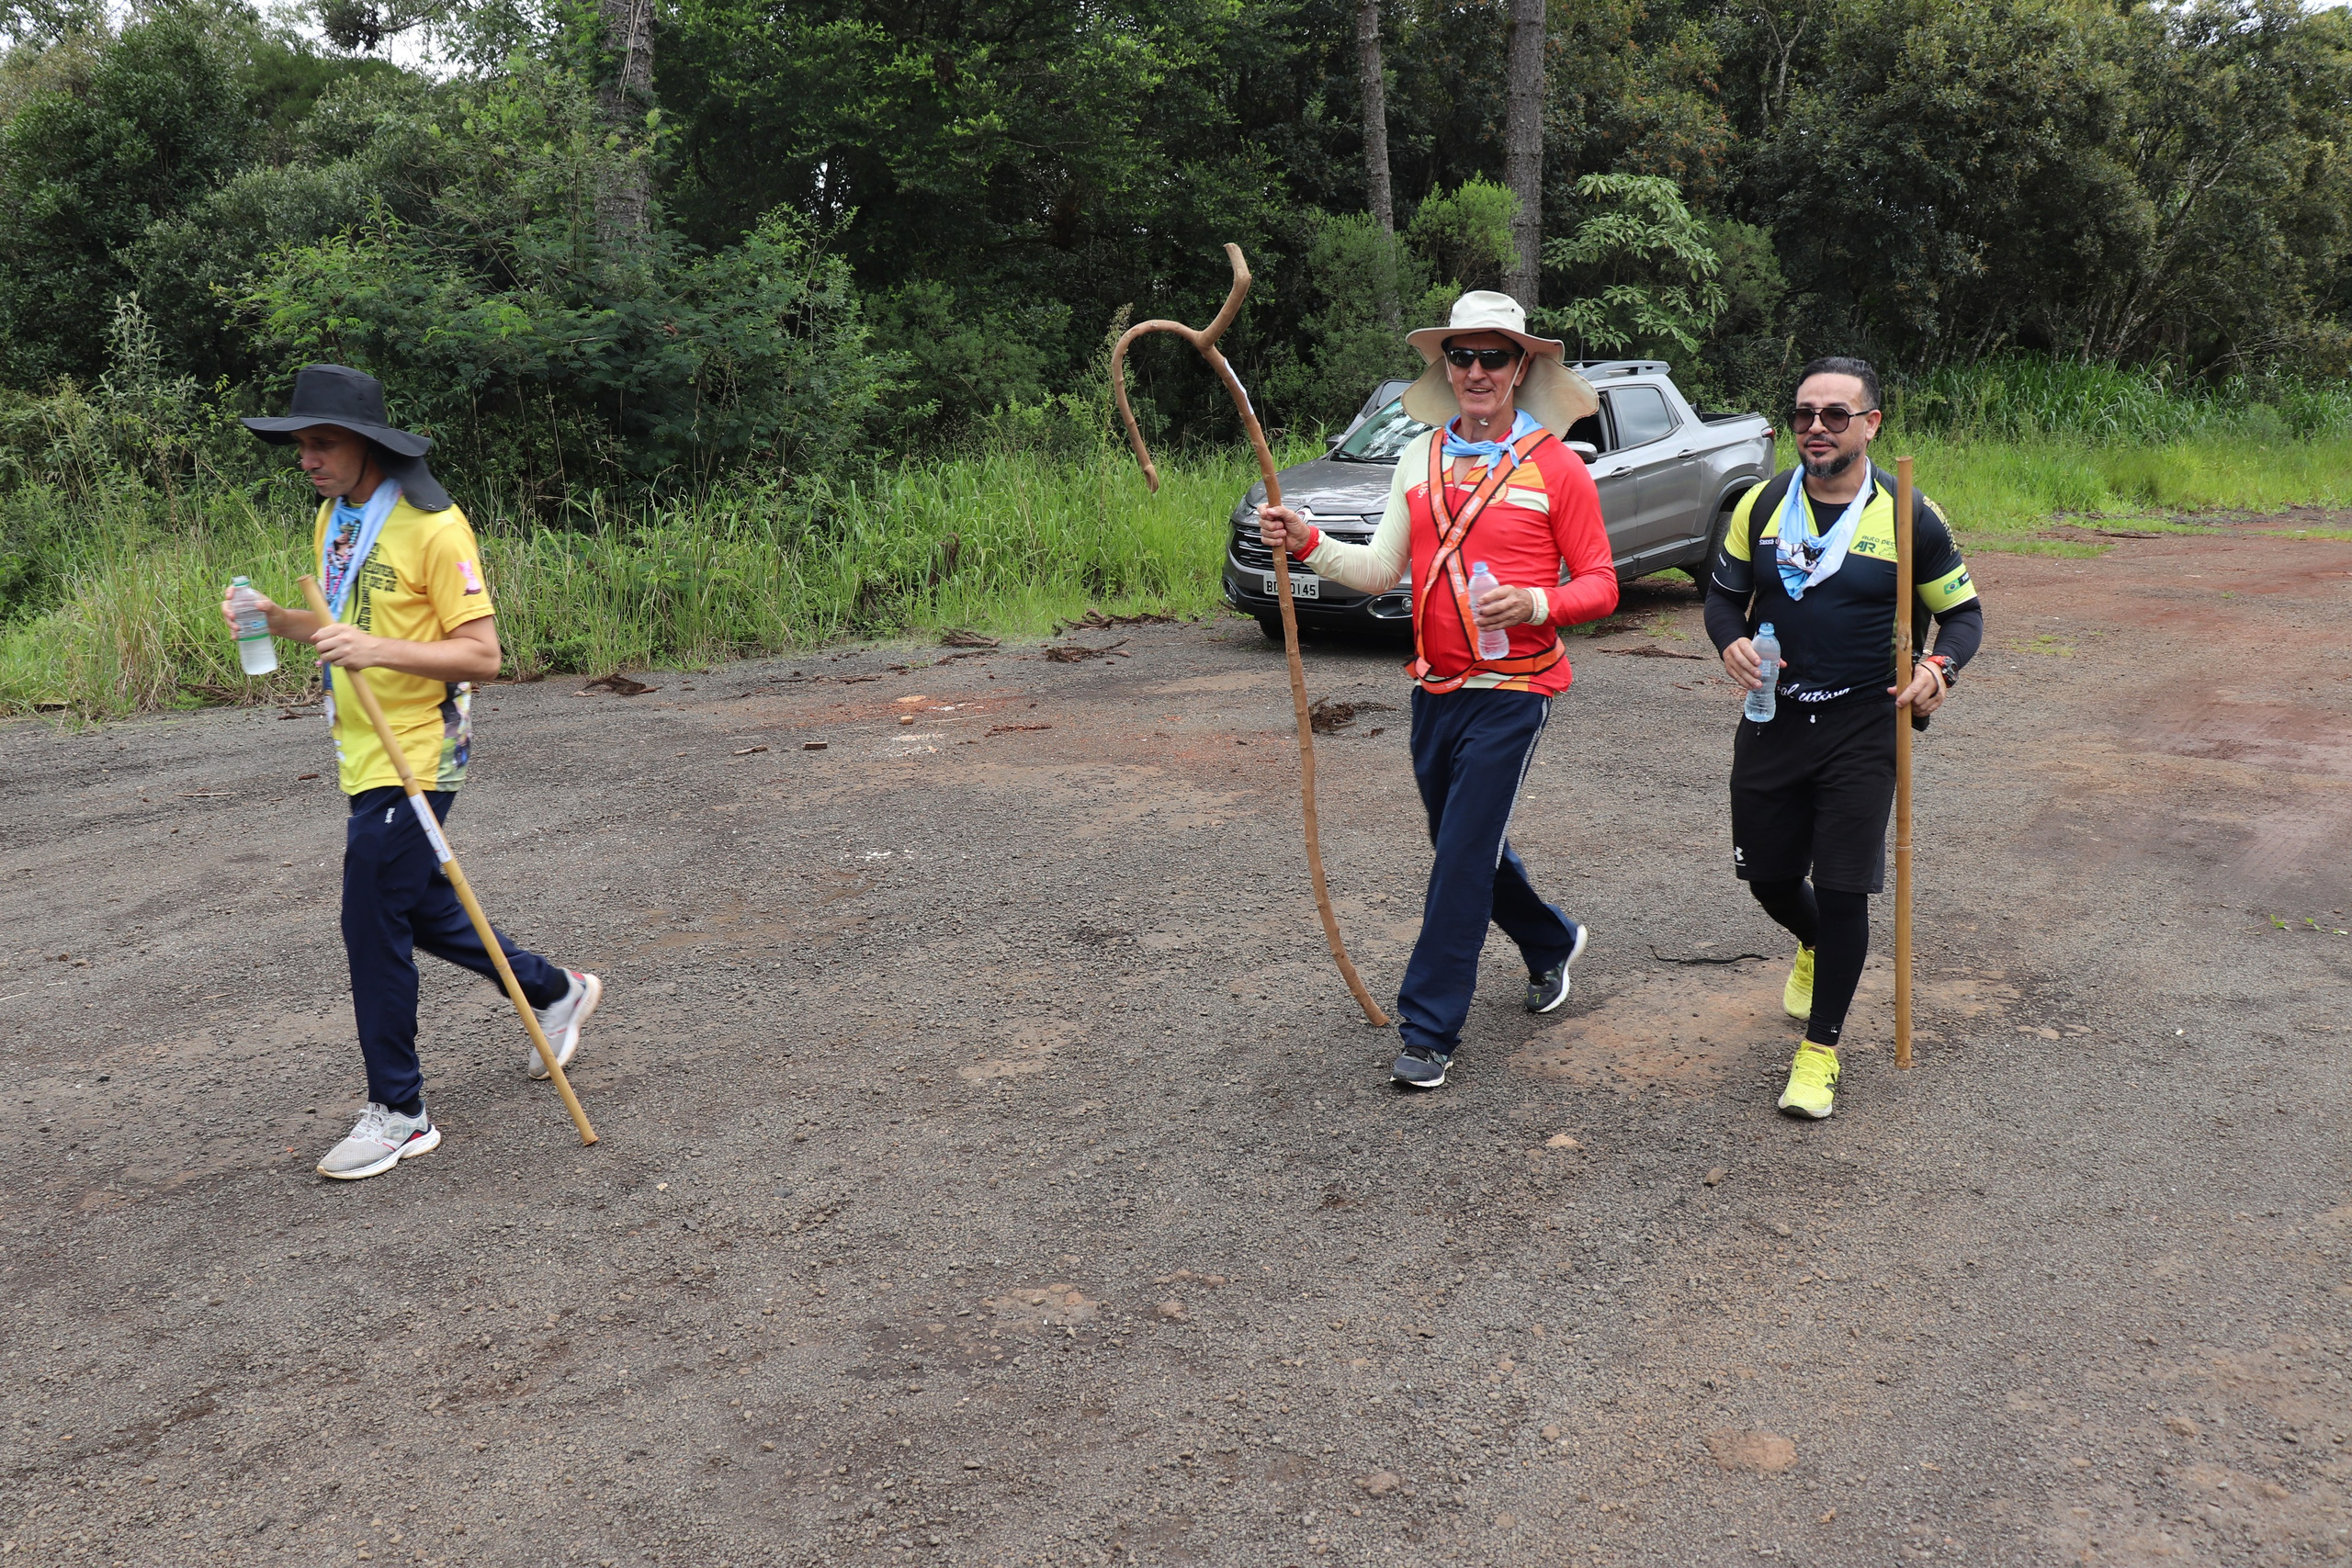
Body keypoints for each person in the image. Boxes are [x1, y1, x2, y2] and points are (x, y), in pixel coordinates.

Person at [223, 364, 602, 1179]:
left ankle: (401, 1111)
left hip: (420, 751)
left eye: (321, 442)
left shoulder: (435, 527)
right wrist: (274, 619)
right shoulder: (336, 517)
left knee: (370, 921)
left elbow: (484, 655)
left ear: (365, 444)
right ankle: (552, 991)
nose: (306, 458)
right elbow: (339, 627)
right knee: (419, 906)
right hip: (361, 752)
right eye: (300, 444)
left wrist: (376, 650)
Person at [1258, 292, 1618, 1089]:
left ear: (1523, 367)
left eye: (1495, 355)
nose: (1478, 371)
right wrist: (1309, 541)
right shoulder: (1417, 459)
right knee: (1461, 844)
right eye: (1462, 356)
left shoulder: (1557, 465)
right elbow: (1379, 570)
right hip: (1435, 688)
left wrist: (1535, 604)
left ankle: (1430, 1028)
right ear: (1444, 367)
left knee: (1459, 854)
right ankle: (1551, 940)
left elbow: (1601, 585)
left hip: (1516, 686)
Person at [1704, 355, 1983, 1119]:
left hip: (1866, 723)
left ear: (1871, 424)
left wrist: (1940, 667)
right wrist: (1728, 640)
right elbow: (1723, 599)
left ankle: (1820, 1051)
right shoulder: (1759, 507)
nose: (1816, 427)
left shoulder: (1907, 514)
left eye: (1835, 414)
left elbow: (1962, 616)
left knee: (1844, 885)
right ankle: (1814, 941)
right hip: (1773, 715)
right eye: (1803, 414)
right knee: (1766, 877)